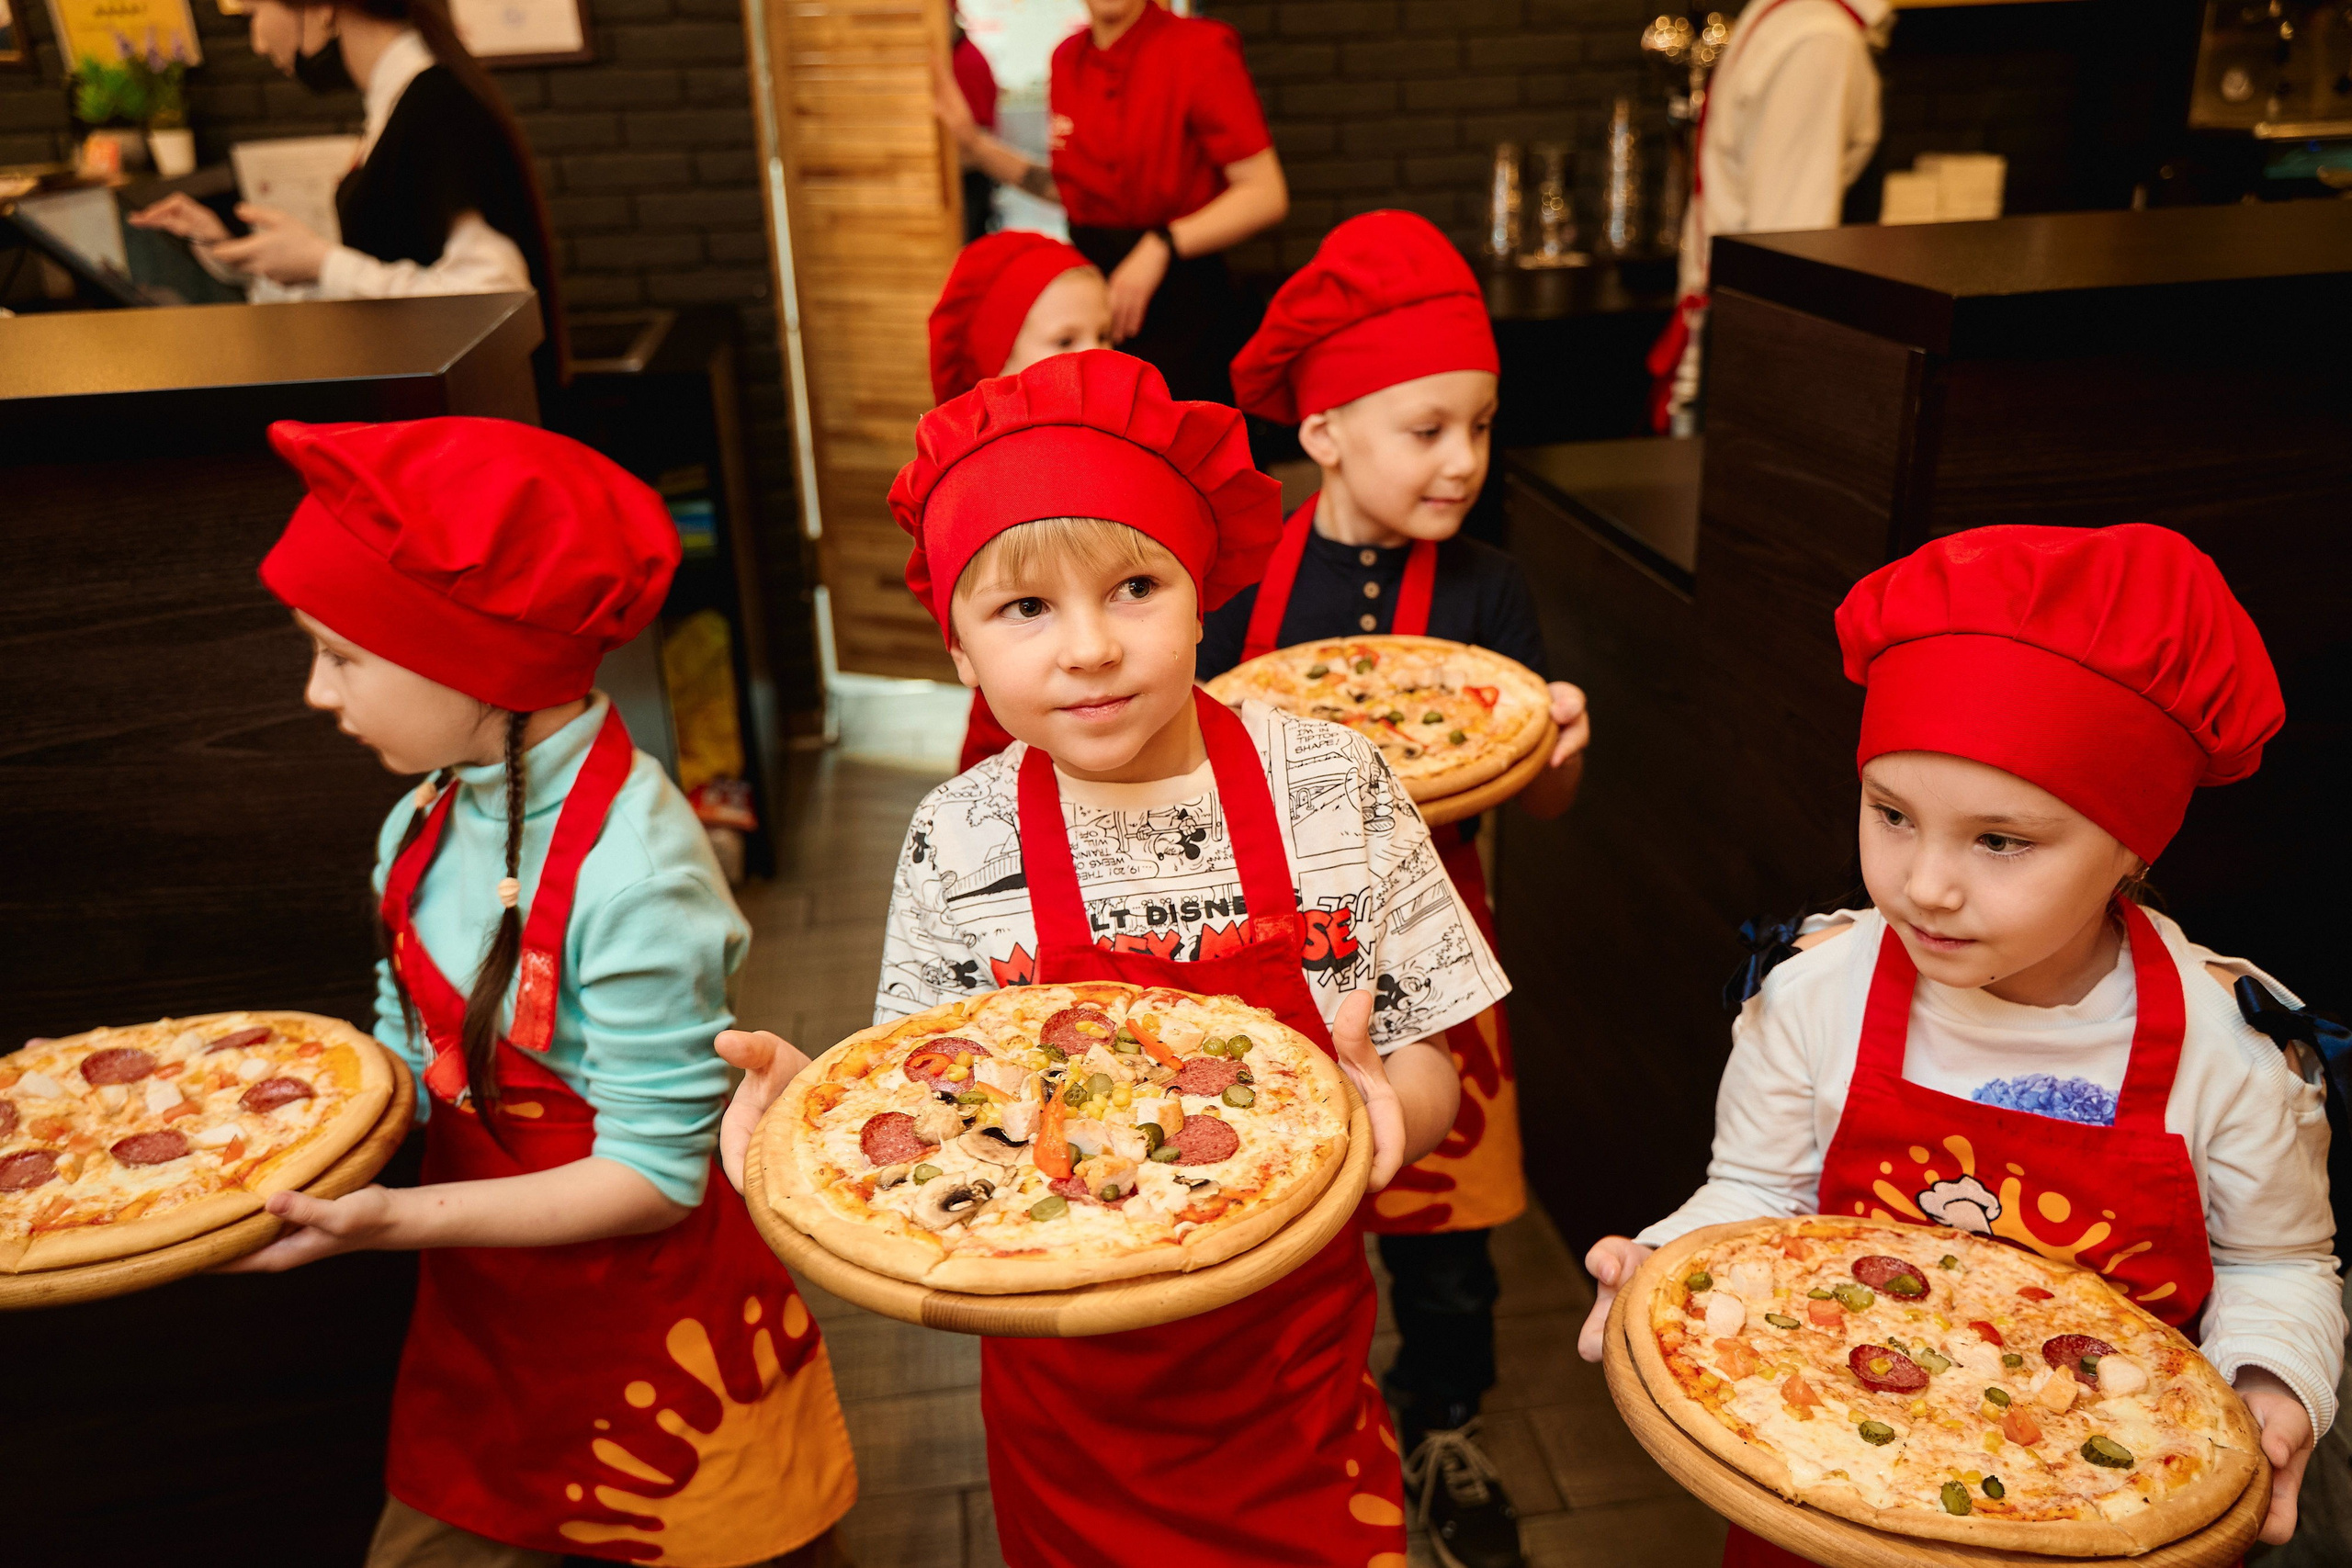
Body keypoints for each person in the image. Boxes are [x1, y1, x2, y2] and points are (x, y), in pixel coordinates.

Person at [717, 350, 1516, 1566]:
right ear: (959, 648)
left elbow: (1428, 1062)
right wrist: (813, 1122)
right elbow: (931, 1093)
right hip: (1062, 1394)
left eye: (1135, 585)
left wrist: (1389, 1107)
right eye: (1023, 607)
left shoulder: (1332, 785)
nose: (1087, 647)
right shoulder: (958, 834)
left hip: (1291, 1374)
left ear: (1206, 597)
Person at [1575, 524, 2342, 1564]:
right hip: (1823, 1472)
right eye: (1890, 813)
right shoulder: (1814, 992)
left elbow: (2279, 1261)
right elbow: (1755, 1198)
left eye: (2000, 840)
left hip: (2096, 1505)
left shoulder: (2233, 1049)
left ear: (2131, 843)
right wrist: (1666, 1263)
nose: (1924, 885)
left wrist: (2267, 1393)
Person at [229, 418, 856, 1568]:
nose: (316, 691)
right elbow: (407, 1046)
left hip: (647, 1324)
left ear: (475, 665)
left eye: (341, 653)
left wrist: (389, 1221)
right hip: (489, 1311)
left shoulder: (641, 875)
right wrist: (286, 1137)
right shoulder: (421, 816)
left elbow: (655, 1179)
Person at [1197, 208, 1589, 1568]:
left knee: (1446, 1231)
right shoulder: (1238, 580)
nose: (1464, 460)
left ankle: (1441, 1424)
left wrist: (1559, 749)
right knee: (1275, 1208)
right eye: (1427, 428)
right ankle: (1287, 1426)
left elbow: (1536, 794)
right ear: (1323, 433)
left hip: (1436, 955)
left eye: (1479, 426)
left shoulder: (1489, 590)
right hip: (1263, 956)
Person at [128, 0, 562, 384]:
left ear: (322, 8)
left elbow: (490, 295)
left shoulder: (433, 106)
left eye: (253, 15)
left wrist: (323, 263)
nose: (258, 43)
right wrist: (244, 257)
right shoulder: (405, 103)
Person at [932, 0, 1286, 404]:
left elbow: (1266, 194)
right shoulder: (1067, 58)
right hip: (1094, 287)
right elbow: (1070, 189)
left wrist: (1162, 245)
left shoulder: (1199, 48)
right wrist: (974, 145)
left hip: (1180, 295)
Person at [1649, 0, 1889, 433]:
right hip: (1759, 349)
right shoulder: (1819, 40)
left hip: (1735, 328)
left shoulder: (1792, 18)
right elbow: (1790, 242)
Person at [926, 229, 1115, 773]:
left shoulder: (1116, 452)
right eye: (1064, 341)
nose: (1095, 356)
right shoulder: (973, 490)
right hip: (1018, 735)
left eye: (1103, 334)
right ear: (992, 368)